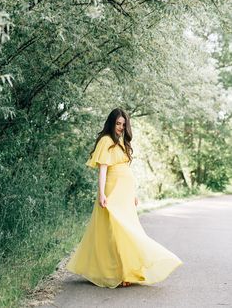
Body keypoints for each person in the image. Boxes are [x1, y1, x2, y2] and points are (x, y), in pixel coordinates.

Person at [66, 108, 183, 288]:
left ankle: (126, 271)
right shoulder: (106, 141)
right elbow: (103, 170)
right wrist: (102, 193)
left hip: (125, 193)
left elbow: (126, 171)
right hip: (112, 192)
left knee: (127, 230)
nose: (121, 127)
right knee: (117, 232)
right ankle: (119, 272)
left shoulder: (120, 143)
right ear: (111, 123)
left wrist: (133, 194)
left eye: (123, 124)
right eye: (118, 123)